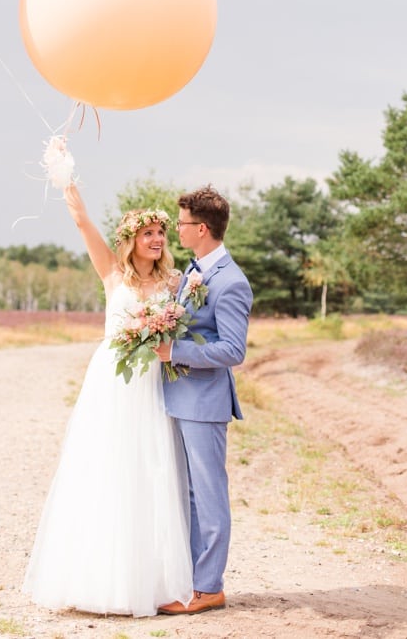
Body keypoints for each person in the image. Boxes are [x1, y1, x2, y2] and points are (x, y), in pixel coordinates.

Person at [22, 187, 193, 617]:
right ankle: (96, 579)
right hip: (112, 386)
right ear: (131, 240)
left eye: (161, 233)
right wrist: (66, 180)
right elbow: (82, 222)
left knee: (151, 471)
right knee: (105, 470)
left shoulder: (175, 282)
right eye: (149, 233)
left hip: (152, 384)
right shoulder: (112, 275)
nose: (157, 239)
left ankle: (150, 583)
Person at [154, 185, 253, 616]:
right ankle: (192, 580)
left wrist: (175, 352)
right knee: (188, 494)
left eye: (182, 224)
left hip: (205, 403)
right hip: (179, 398)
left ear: (204, 228)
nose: (177, 229)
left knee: (208, 495)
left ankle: (209, 587)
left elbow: (233, 350)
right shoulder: (196, 271)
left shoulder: (230, 281)